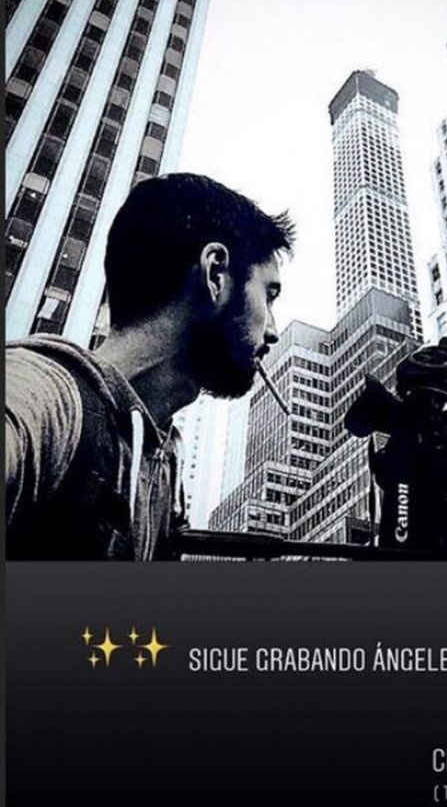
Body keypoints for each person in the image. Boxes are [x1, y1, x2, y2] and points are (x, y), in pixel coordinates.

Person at [5, 173, 294, 560]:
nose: (272, 331)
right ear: (215, 274)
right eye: (268, 295)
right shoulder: (43, 395)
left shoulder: (165, 469)